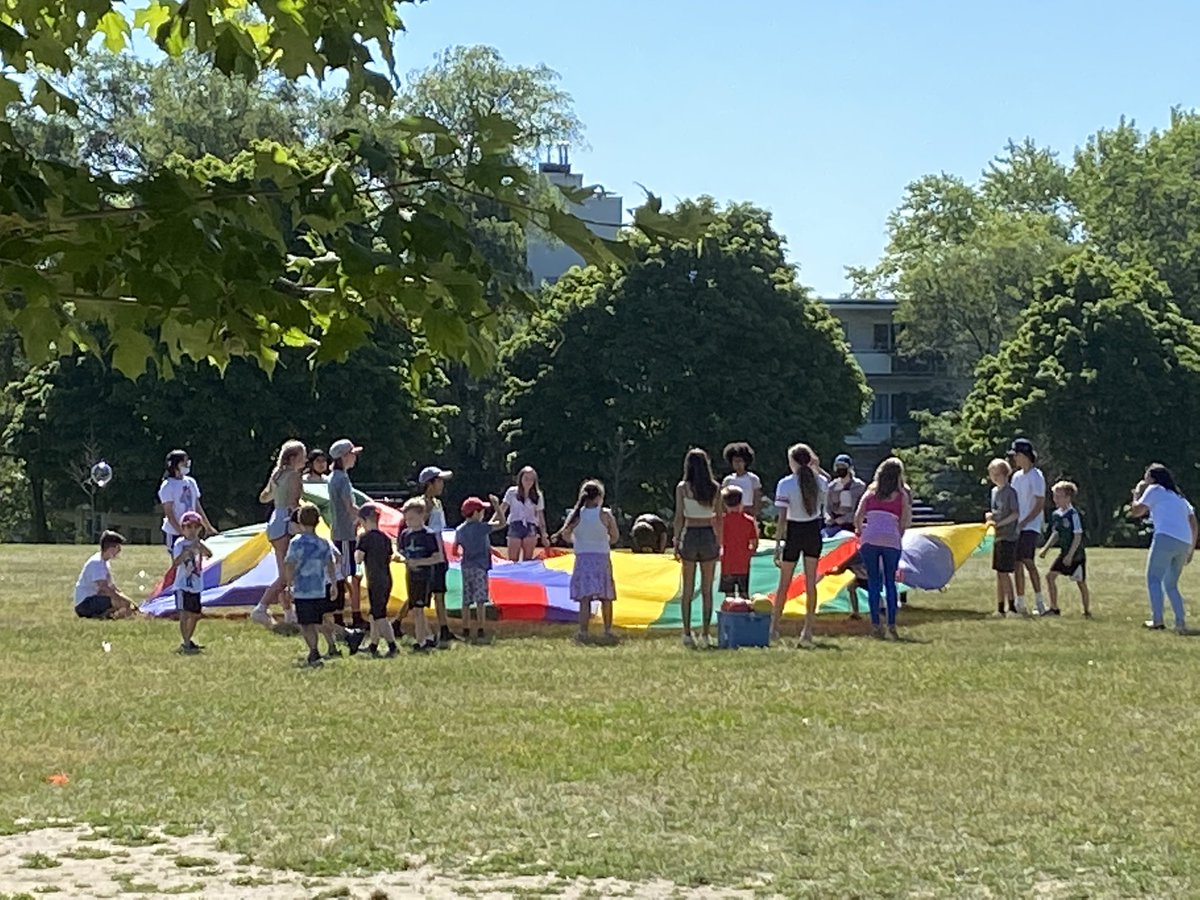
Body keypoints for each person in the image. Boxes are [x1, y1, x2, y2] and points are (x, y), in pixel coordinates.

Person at [772, 443, 828, 647]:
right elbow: (824, 484)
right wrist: (816, 466)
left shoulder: (785, 484)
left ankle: (774, 628)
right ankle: (807, 631)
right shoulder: (820, 481)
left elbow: (782, 519)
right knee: (810, 583)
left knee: (784, 584)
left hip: (795, 532)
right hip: (813, 531)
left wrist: (778, 544)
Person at [1130, 464, 1197, 633]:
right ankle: (1180, 622)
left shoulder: (1154, 490)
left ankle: (1157, 620)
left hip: (1165, 537)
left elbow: (1137, 511)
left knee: (1154, 578)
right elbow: (1193, 522)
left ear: (1152, 478)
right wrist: (1191, 548)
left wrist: (1136, 494)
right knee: (1171, 584)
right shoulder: (1179, 497)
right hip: (1184, 541)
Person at [555, 479, 620, 644]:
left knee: (585, 598)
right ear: (599, 497)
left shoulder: (576, 515)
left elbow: (565, 534)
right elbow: (615, 537)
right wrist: (603, 540)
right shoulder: (605, 514)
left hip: (583, 558)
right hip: (601, 558)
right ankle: (607, 630)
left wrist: (577, 541)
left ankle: (583, 631)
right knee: (606, 596)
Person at [854, 457, 912, 640]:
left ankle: (875, 624)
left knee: (873, 582)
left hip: (870, 539)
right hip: (891, 540)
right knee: (890, 582)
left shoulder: (870, 493)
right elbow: (905, 521)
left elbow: (858, 516)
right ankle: (892, 624)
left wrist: (861, 531)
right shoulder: (901, 495)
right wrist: (897, 535)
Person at [250, 439, 306, 628]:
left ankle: (289, 613)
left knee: (283, 570)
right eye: (302, 456)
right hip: (286, 524)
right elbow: (294, 503)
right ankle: (261, 608)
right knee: (287, 575)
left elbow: (264, 496)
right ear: (293, 458)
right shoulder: (294, 477)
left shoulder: (277, 474)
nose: (305, 459)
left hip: (274, 521)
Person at [673, 448, 725, 648]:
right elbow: (719, 517)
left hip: (690, 534)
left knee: (687, 588)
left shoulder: (682, 488)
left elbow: (679, 517)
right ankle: (705, 632)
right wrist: (719, 542)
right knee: (707, 589)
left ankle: (686, 632)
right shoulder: (714, 488)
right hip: (708, 534)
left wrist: (676, 540)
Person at [283, 504, 337, 668]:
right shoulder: (323, 543)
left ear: (299, 521)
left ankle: (313, 650)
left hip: (302, 590)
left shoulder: (296, 543)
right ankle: (325, 646)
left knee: (306, 623)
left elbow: (290, 565)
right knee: (318, 620)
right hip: (319, 588)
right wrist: (333, 583)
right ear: (318, 521)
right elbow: (330, 564)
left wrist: (289, 585)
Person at [456, 495, 505, 643]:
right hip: (480, 567)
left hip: (466, 567)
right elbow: (502, 523)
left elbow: (457, 547)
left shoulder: (460, 530)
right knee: (480, 600)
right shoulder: (481, 528)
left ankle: (465, 628)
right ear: (476, 513)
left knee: (466, 600)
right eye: (482, 511)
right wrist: (497, 506)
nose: (483, 514)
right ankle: (481, 627)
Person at [397, 497, 444, 652]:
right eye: (406, 519)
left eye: (411, 518)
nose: (408, 522)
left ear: (422, 515)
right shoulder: (405, 534)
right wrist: (402, 559)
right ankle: (428, 637)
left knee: (418, 608)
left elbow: (437, 557)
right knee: (416, 608)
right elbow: (401, 551)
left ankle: (420, 641)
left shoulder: (428, 535)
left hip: (424, 576)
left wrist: (419, 562)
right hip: (411, 576)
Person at [327, 438, 365, 630]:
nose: (355, 458)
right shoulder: (341, 479)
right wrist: (362, 518)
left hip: (344, 533)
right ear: (343, 457)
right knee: (344, 576)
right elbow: (348, 506)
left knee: (348, 574)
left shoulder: (337, 477)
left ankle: (349, 615)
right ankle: (340, 618)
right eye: (352, 454)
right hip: (344, 534)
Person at [419, 465, 459, 645]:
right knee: (422, 592)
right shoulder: (424, 504)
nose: (442, 484)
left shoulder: (437, 503)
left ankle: (444, 629)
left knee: (439, 591)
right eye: (439, 481)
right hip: (429, 552)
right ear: (430, 483)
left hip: (439, 550)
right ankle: (397, 621)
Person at [1039, 481, 1090, 618]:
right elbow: (1056, 534)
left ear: (1068, 498)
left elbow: (1077, 536)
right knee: (1050, 577)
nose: (1055, 499)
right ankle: (1054, 608)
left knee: (1080, 582)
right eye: (1054, 496)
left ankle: (1086, 611)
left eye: (1058, 496)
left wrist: (1071, 555)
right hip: (1064, 553)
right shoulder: (1056, 515)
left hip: (1076, 555)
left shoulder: (1073, 514)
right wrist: (1046, 548)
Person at [1009, 438, 1047, 616]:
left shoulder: (1036, 476)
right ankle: (1020, 601)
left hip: (1030, 525)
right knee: (1016, 563)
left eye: (1016, 455)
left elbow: (1039, 503)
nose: (1014, 459)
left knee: (1028, 561)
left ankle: (1040, 600)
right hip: (1017, 525)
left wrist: (1025, 521)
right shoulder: (1016, 477)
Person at [355, 503, 399, 658]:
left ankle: (392, 645)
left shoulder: (365, 538)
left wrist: (357, 544)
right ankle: (373, 645)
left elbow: (358, 559)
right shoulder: (385, 538)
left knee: (380, 616)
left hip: (375, 580)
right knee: (374, 614)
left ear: (364, 520)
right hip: (387, 578)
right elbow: (389, 556)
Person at [158, 449, 215, 557]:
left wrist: (207, 526)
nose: (187, 464)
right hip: (175, 532)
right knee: (179, 560)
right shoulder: (167, 486)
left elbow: (197, 506)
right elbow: (169, 514)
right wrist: (182, 532)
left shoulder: (191, 482)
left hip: (192, 530)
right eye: (184, 462)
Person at [172, 511, 212, 654]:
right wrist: (187, 551)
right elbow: (175, 563)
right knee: (184, 614)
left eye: (196, 527)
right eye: (189, 526)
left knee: (195, 614)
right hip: (182, 584)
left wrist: (199, 545)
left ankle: (189, 638)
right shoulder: (179, 544)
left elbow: (209, 554)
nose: (192, 530)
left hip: (196, 585)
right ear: (183, 529)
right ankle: (186, 641)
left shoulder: (199, 544)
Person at [985, 458, 1020, 617]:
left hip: (1008, 536)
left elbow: (1015, 514)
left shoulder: (1010, 492)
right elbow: (995, 512)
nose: (994, 477)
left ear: (1006, 474)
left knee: (1005, 573)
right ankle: (1000, 607)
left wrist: (1001, 524)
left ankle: (1012, 607)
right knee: (999, 573)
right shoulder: (994, 492)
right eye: (992, 474)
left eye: (997, 474)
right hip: (997, 537)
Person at [73, 530, 135, 619]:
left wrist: (129, 602)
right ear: (110, 548)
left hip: (94, 599)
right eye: (118, 547)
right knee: (117, 603)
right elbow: (104, 588)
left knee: (122, 604)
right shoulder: (96, 563)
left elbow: (113, 587)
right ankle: (108, 614)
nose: (119, 551)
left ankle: (106, 614)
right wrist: (122, 601)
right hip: (84, 604)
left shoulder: (104, 563)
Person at [500, 466, 549, 561]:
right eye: (526, 479)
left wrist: (544, 534)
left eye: (531, 479)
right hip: (515, 525)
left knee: (528, 561)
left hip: (530, 527)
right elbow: (502, 509)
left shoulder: (538, 495)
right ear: (520, 479)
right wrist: (492, 523)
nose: (529, 482)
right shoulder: (512, 492)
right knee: (512, 560)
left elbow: (540, 516)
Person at [719, 485, 758, 601]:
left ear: (725, 504)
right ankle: (744, 615)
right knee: (744, 594)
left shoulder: (723, 521)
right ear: (741, 501)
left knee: (729, 596)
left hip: (727, 563)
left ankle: (730, 615)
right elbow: (754, 542)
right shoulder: (749, 521)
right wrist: (750, 552)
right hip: (743, 564)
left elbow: (719, 539)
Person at [825, 454, 867, 537]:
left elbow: (862, 509)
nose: (840, 468)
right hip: (834, 525)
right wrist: (829, 517)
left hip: (851, 525)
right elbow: (827, 507)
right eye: (838, 466)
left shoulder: (859, 486)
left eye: (843, 466)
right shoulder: (831, 487)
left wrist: (846, 518)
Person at [721, 442, 762, 515]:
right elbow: (723, 501)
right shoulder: (728, 480)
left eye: (740, 461)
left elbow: (757, 500)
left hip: (748, 514)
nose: (737, 463)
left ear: (745, 462)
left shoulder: (753, 479)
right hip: (731, 515)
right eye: (735, 461)